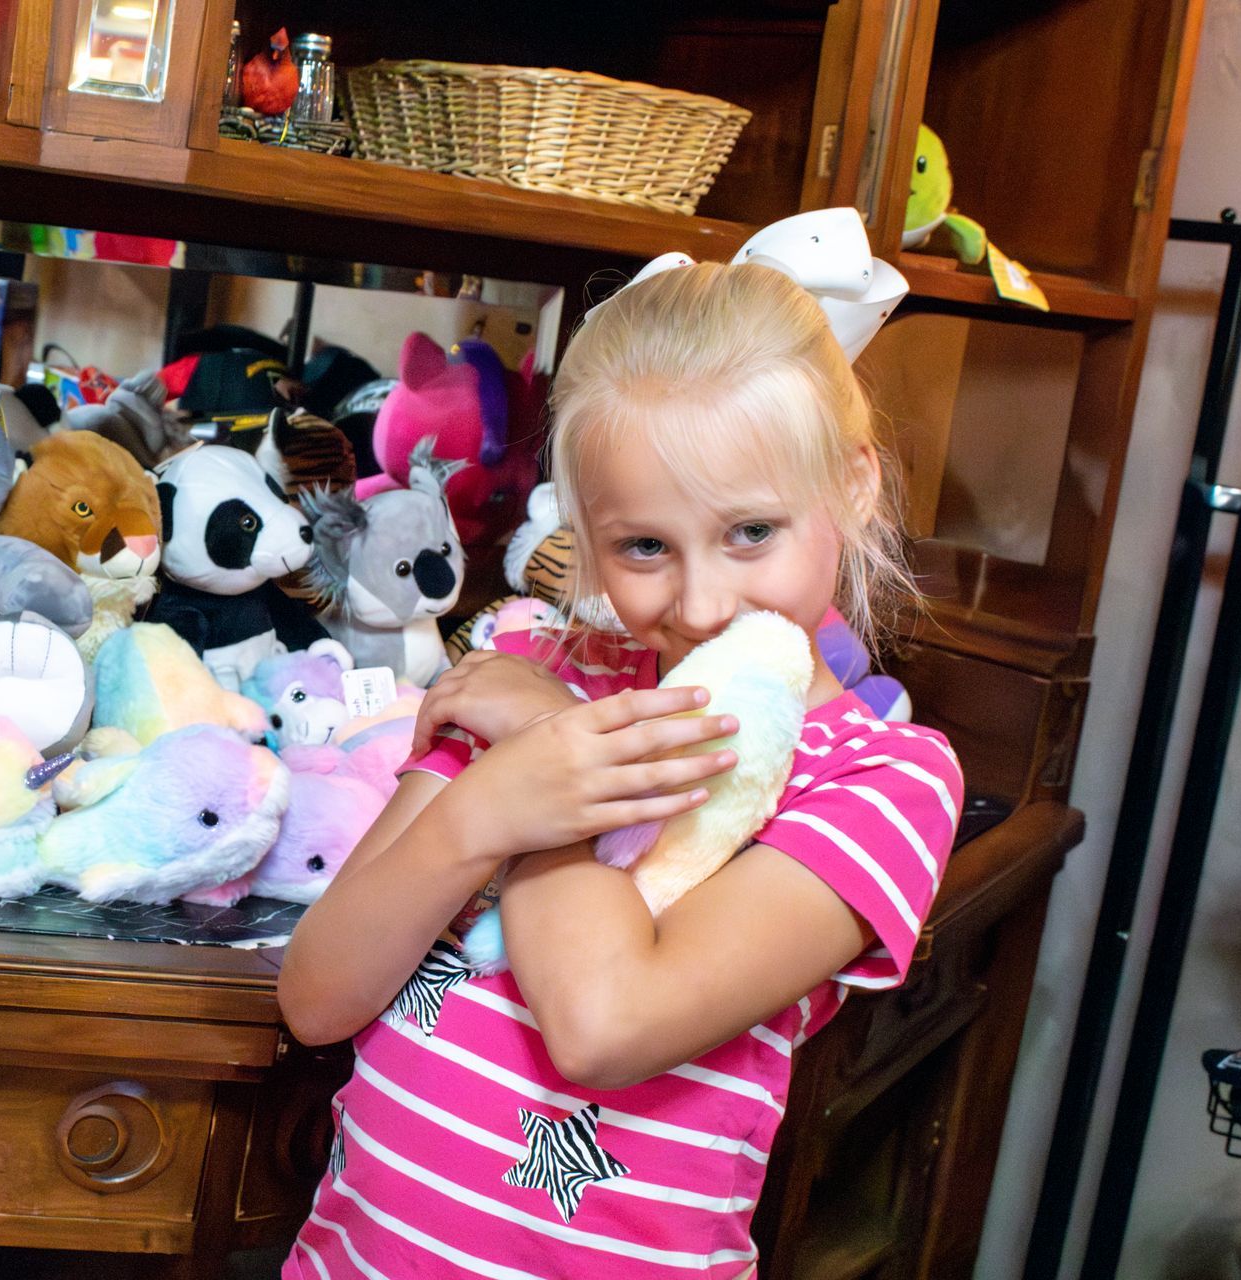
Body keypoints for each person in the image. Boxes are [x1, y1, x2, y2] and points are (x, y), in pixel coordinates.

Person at [276, 244, 965, 1280]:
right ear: (588, 535)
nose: (697, 603)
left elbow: (603, 1025)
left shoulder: (880, 781)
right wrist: (481, 809)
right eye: (644, 546)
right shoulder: (533, 660)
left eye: (751, 531)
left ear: (853, 486)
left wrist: (550, 762)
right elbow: (319, 996)